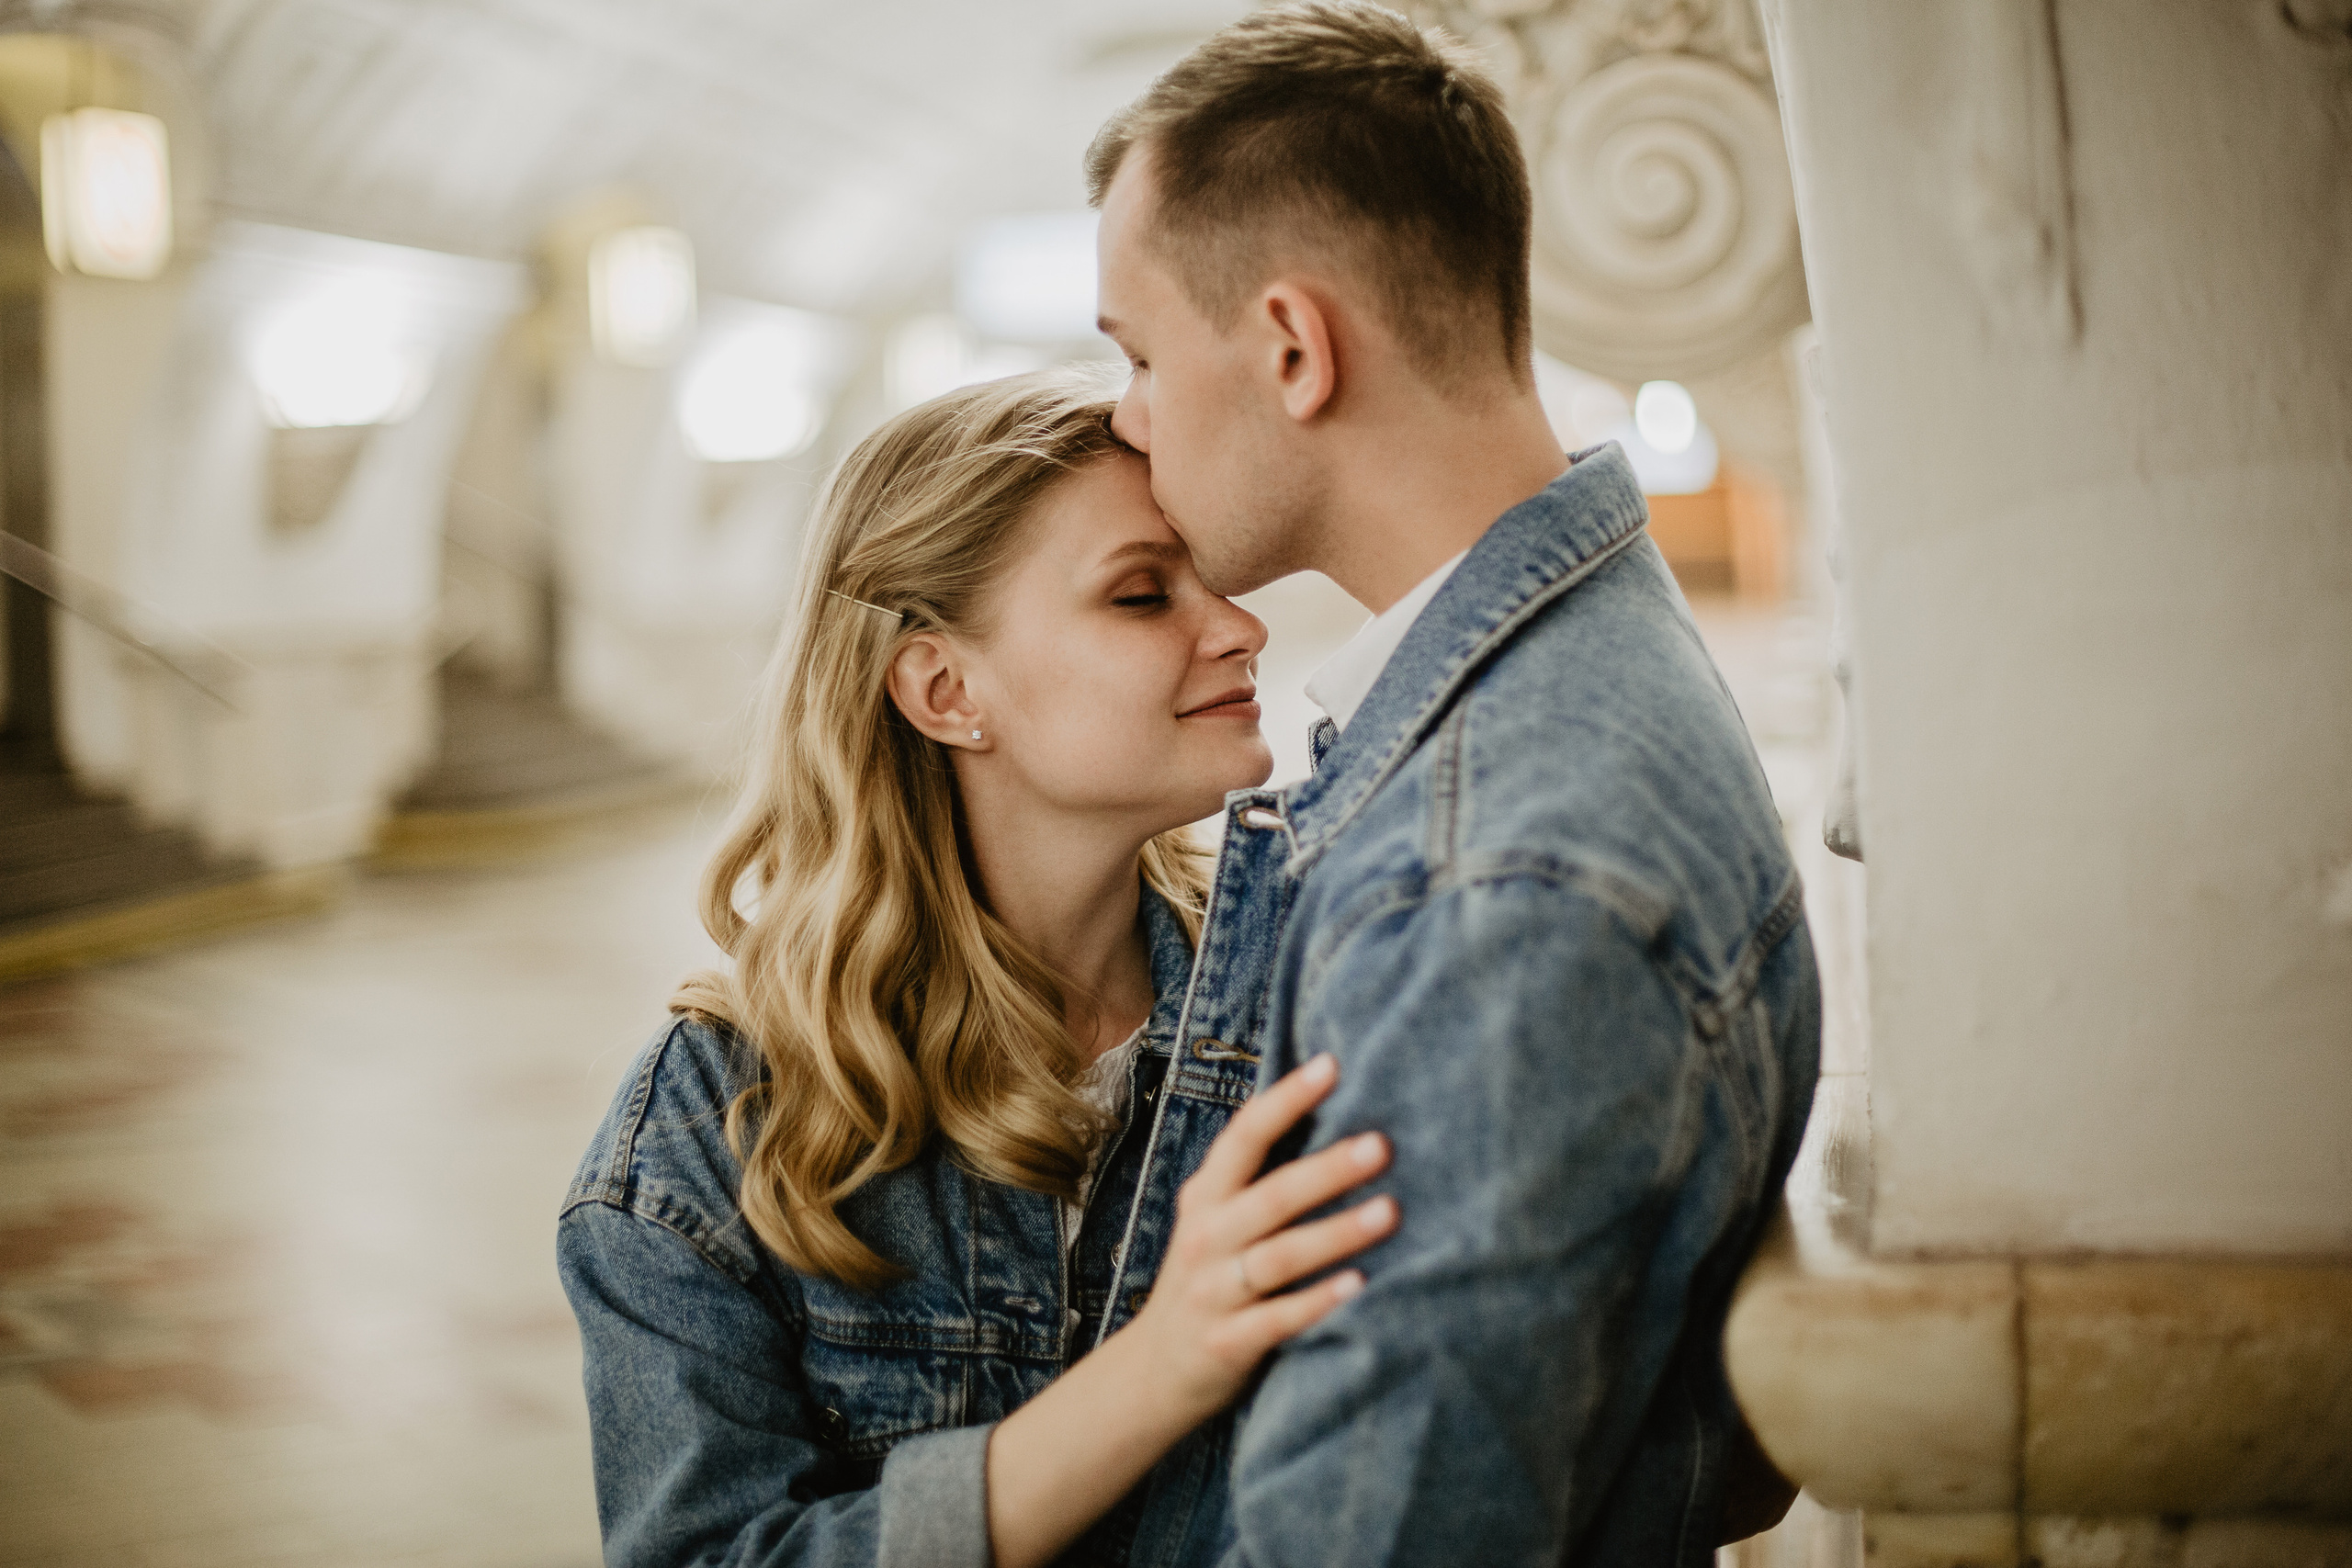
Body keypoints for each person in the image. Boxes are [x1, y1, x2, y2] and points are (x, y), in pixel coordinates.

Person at [1083, 4, 1822, 1563]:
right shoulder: (1603, 654)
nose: (1125, 416)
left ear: (1293, 347)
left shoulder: (1491, 889)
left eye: (1140, 354)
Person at [558, 372, 1398, 1568]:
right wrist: (1163, 1366)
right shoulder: (712, 1127)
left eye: (1211, 580)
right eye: (1143, 592)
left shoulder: (1319, 993)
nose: (1239, 628)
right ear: (945, 690)